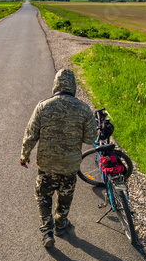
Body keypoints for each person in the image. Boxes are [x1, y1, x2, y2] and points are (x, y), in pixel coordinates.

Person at [20, 69, 97, 248]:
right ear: (73, 86)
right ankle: (61, 224)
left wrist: (25, 155)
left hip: (47, 164)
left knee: (43, 195)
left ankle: (47, 231)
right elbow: (90, 138)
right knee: (65, 195)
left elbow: (31, 133)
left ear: (56, 84)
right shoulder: (84, 109)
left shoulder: (43, 106)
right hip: (70, 165)